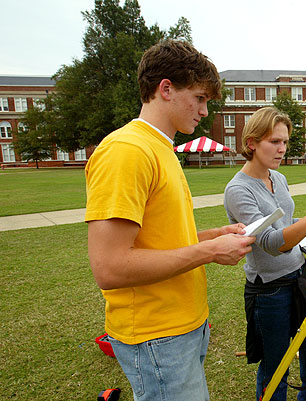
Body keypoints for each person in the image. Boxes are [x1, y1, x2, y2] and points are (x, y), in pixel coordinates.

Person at [85, 40, 255, 401]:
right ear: (166, 89)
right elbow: (110, 266)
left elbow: (159, 238)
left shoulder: (161, 148)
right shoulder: (127, 151)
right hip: (156, 334)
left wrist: (213, 235)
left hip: (183, 325)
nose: (205, 111)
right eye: (199, 98)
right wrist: (209, 251)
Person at [224, 107, 306, 401]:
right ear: (252, 143)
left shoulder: (278, 179)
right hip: (269, 290)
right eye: (274, 142)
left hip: (299, 275)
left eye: (285, 142)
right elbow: (272, 242)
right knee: (276, 364)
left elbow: (286, 225)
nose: (282, 149)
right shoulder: (238, 189)